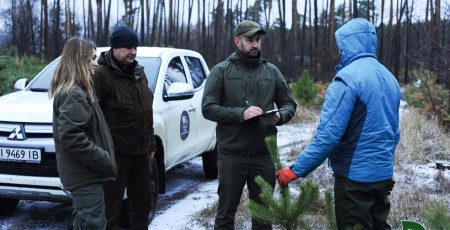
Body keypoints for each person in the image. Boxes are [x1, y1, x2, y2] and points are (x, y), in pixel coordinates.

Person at [276, 18, 401, 229]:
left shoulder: (347, 80)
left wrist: (295, 170)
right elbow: (393, 133)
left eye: (341, 47)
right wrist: (384, 169)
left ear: (349, 44)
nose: (339, 52)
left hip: (355, 181)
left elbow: (328, 137)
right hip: (382, 178)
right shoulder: (390, 78)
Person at [202, 20, 297, 230]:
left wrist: (280, 116)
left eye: (257, 40)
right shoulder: (221, 71)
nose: (255, 44)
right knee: (226, 215)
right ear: (238, 41)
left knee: (263, 217)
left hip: (263, 157)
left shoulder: (271, 71)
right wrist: (240, 114)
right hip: (231, 156)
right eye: (249, 40)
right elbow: (207, 108)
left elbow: (289, 104)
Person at [50, 37, 117, 230]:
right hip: (85, 176)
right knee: (93, 224)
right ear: (80, 62)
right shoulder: (74, 94)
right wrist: (103, 158)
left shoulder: (78, 90)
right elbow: (72, 137)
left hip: (84, 175)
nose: (96, 64)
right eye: (92, 59)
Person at [93, 26, 156, 229]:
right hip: (115, 154)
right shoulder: (100, 75)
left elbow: (147, 111)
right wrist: (101, 153)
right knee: (111, 208)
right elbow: (94, 117)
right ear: (115, 48)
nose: (133, 52)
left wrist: (151, 143)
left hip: (141, 152)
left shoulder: (139, 72)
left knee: (142, 205)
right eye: (128, 47)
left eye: (135, 47)